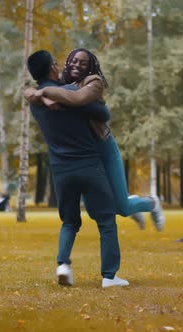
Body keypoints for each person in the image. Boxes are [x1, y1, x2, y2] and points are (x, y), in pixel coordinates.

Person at [25, 48, 165, 231]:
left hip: (103, 146)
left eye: (81, 63)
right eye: (72, 62)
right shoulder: (53, 89)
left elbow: (77, 98)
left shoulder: (87, 83)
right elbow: (29, 91)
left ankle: (151, 203)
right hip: (82, 156)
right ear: (53, 67)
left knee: (122, 208)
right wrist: (36, 93)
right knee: (94, 211)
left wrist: (44, 93)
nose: (74, 66)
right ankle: (132, 204)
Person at [26, 50, 129, 288]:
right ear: (53, 67)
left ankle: (63, 265)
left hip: (60, 171)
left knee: (70, 222)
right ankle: (110, 276)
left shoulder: (34, 103)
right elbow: (102, 114)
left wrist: (38, 92)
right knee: (106, 221)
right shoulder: (72, 93)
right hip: (88, 165)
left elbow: (37, 93)